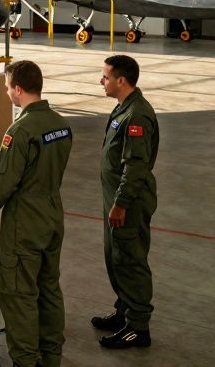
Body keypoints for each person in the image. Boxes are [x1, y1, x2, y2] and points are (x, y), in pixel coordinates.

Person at [0, 60, 73, 367]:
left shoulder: (20, 131)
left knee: (19, 296)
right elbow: (37, 163)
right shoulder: (59, 124)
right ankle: (51, 357)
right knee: (49, 289)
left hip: (25, 224)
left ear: (18, 89)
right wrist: (2, 145)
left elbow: (5, 182)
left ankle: (26, 361)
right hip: (52, 217)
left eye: (7, 87)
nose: (7, 92)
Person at [92, 54, 159, 349]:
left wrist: (121, 203)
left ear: (121, 80)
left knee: (130, 259)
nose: (101, 81)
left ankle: (138, 327)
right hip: (115, 198)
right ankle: (124, 311)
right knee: (115, 256)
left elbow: (136, 166)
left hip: (128, 200)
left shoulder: (137, 116)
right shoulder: (123, 108)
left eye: (105, 77)